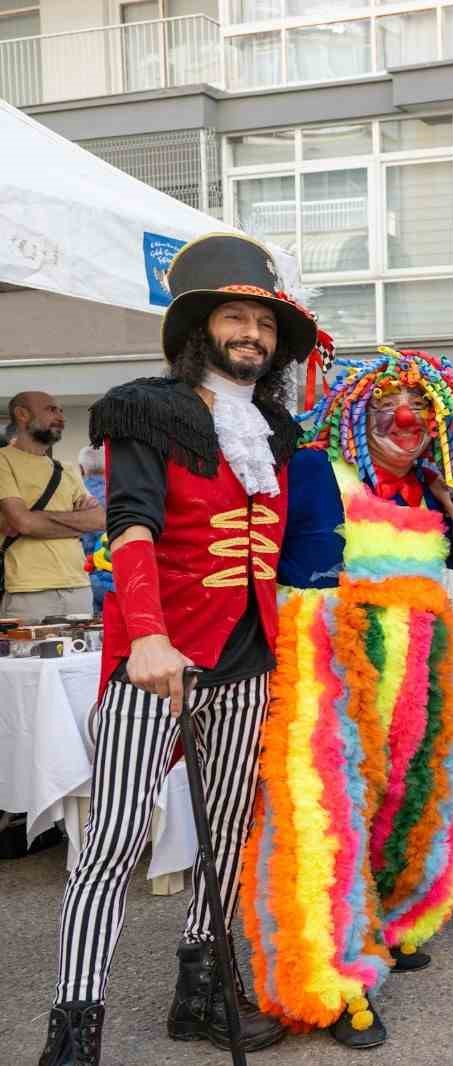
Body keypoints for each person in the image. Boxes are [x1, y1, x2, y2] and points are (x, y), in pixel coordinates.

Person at [38, 233, 322, 1065]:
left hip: (246, 662)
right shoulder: (145, 409)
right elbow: (130, 527)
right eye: (235, 318)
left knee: (225, 834)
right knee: (115, 841)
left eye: (264, 324)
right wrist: (149, 635)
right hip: (156, 662)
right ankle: (74, 1026)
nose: (253, 335)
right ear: (200, 329)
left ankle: (198, 995)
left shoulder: (276, 430)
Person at [240, 347, 453, 1049]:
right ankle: (333, 985)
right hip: (330, 666)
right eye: (387, 409)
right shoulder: (316, 472)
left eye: (419, 411)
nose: (405, 421)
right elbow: (268, 564)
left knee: (412, 802)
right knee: (325, 819)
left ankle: (389, 923)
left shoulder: (431, 490)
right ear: (354, 415)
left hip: (418, 671)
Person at [0, 391, 102, 621]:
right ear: (22, 414)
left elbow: (98, 519)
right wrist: (77, 522)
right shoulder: (3, 460)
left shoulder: (67, 468)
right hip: (26, 590)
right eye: (51, 409)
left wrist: (36, 520)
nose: (61, 418)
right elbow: (24, 523)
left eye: (61, 411)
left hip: (79, 587)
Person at [76, 446, 112, 614]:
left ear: (81, 468)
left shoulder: (75, 495)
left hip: (83, 579)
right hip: (116, 579)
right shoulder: (120, 494)